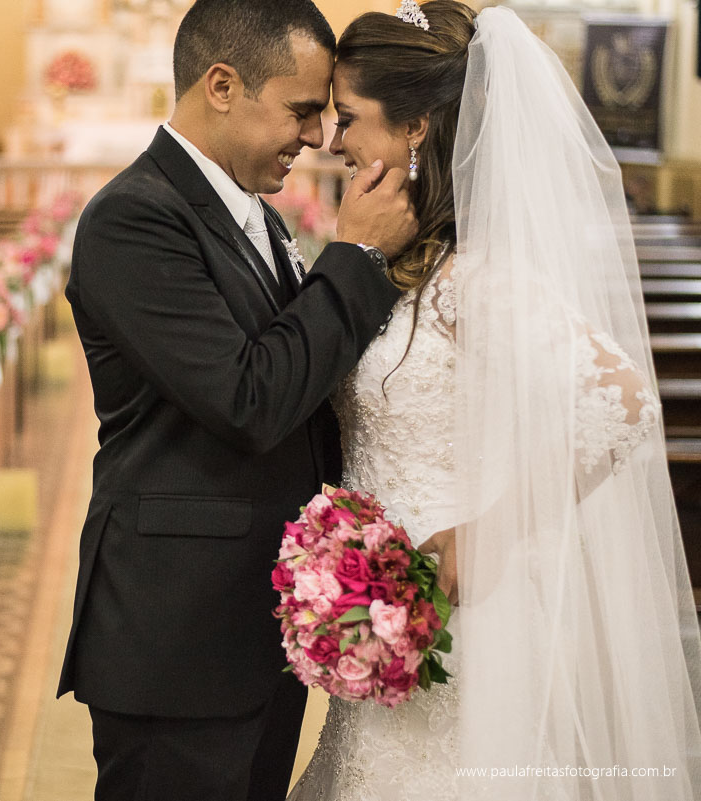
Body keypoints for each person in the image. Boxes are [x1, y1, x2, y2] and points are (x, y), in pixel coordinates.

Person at [288, 3, 701, 799]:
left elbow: (622, 400)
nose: (335, 142)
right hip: (386, 627)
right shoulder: (404, 269)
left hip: (459, 623)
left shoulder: (465, 279)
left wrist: (488, 532)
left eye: (350, 119)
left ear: (414, 127)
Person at [56, 1, 418, 799]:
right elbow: (250, 398)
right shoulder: (134, 218)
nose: (318, 136)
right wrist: (354, 255)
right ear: (222, 85)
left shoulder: (249, 208)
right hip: (175, 644)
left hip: (255, 629)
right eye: (301, 110)